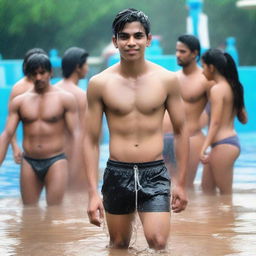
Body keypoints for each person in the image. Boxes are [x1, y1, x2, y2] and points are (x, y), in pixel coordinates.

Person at [84, 8, 189, 250]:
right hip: (117, 172)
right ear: (115, 41)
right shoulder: (99, 84)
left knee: (158, 242)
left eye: (138, 36)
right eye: (124, 36)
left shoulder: (166, 80)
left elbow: (182, 131)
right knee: (119, 244)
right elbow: (90, 140)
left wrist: (181, 182)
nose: (131, 42)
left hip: (154, 173)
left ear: (148, 40)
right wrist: (91, 192)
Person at [0, 53, 80, 205]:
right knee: (29, 212)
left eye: (42, 72)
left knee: (54, 211)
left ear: (50, 73)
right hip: (29, 161)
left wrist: (75, 164)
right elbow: (7, 133)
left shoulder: (65, 99)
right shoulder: (19, 102)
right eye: (34, 73)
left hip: (56, 160)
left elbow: (75, 134)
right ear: (29, 75)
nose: (38, 77)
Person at [163, 34, 214, 188]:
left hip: (191, 138)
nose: (178, 54)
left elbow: (214, 114)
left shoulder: (205, 80)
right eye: (177, 51)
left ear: (194, 53)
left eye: (183, 51)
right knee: (165, 188)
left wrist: (211, 145)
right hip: (164, 138)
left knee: (185, 187)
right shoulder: (172, 78)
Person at [200, 48, 247, 194]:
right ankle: (215, 218)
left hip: (223, 145)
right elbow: (244, 119)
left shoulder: (217, 89)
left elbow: (215, 123)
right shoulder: (234, 87)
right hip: (227, 143)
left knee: (226, 196)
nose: (202, 71)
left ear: (211, 67)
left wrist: (203, 148)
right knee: (206, 189)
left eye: (203, 66)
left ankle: (230, 217)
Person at [55, 47, 89, 191]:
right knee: (78, 199)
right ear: (77, 67)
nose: (87, 68)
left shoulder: (53, 90)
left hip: (53, 156)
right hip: (76, 153)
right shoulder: (81, 95)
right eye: (86, 64)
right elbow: (83, 132)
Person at [9, 48, 47, 164]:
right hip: (30, 150)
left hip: (53, 149)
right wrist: (15, 146)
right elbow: (11, 124)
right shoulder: (18, 89)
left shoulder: (50, 88)